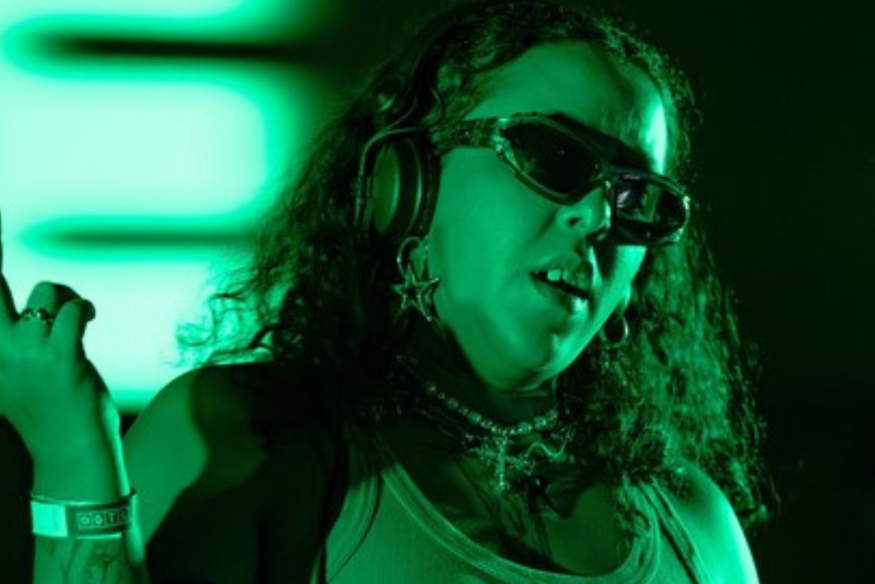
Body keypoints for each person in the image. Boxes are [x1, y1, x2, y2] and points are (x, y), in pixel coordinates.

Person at [0, 1, 773, 583]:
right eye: (551, 155)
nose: (596, 217)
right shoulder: (247, 441)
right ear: (406, 184)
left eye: (636, 198)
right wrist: (73, 455)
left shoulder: (692, 522)